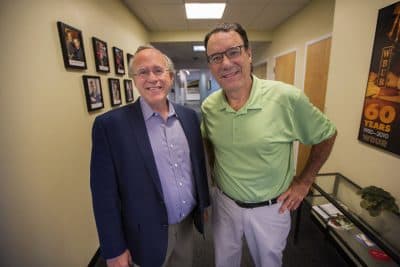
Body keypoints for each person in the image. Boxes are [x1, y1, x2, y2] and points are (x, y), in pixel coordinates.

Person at [201, 22, 337, 267]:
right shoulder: (209, 107)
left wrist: (305, 181)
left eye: (233, 52)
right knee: (223, 262)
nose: (226, 63)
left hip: (270, 209)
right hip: (225, 204)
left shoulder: (287, 98)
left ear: (249, 53)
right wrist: (212, 176)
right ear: (210, 65)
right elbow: (209, 142)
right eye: (216, 57)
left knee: (268, 263)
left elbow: (327, 135)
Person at [90, 45, 210, 267]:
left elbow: (197, 166)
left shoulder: (190, 117)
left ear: (171, 77)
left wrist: (203, 204)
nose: (152, 78)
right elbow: (103, 195)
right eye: (143, 72)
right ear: (134, 80)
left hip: (186, 226)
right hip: (144, 233)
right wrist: (114, 248)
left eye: (158, 70)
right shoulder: (110, 127)